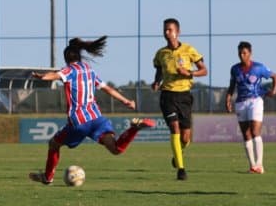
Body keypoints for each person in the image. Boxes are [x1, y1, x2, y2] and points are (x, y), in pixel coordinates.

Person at [28, 36, 155, 185]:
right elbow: (107, 88)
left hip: (79, 122)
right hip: (97, 119)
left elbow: (56, 75)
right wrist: (126, 101)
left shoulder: (68, 70)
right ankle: (134, 128)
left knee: (54, 144)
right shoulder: (89, 70)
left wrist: (42, 77)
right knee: (116, 149)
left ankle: (48, 177)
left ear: (66, 59)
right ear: (79, 56)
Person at [152, 18, 208, 180]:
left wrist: (189, 73)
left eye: (169, 29)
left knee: (186, 138)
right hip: (168, 96)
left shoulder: (189, 50)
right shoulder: (161, 54)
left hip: (184, 96)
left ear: (178, 31)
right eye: (165, 30)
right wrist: (157, 82)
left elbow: (204, 71)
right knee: (174, 129)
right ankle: (181, 169)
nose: (166, 32)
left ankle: (179, 153)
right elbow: (159, 71)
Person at [225, 41, 276, 174]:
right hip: (241, 103)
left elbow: (275, 76)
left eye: (244, 53)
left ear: (250, 53)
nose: (242, 55)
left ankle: (260, 164)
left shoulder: (258, 67)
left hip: (255, 100)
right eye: (240, 53)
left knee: (255, 131)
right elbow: (232, 86)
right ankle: (252, 165)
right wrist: (228, 99)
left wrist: (274, 90)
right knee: (246, 134)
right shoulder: (234, 69)